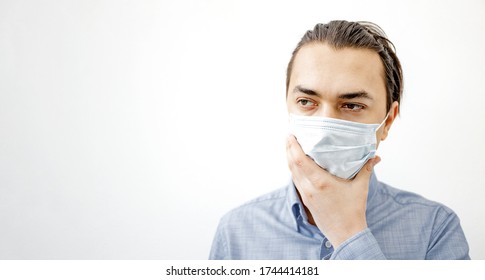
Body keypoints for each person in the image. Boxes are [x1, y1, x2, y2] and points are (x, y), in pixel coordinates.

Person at [209, 20, 470, 260]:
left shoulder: (435, 229)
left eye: (352, 105)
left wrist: (348, 234)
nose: (325, 131)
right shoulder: (235, 232)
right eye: (306, 102)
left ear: (387, 122)